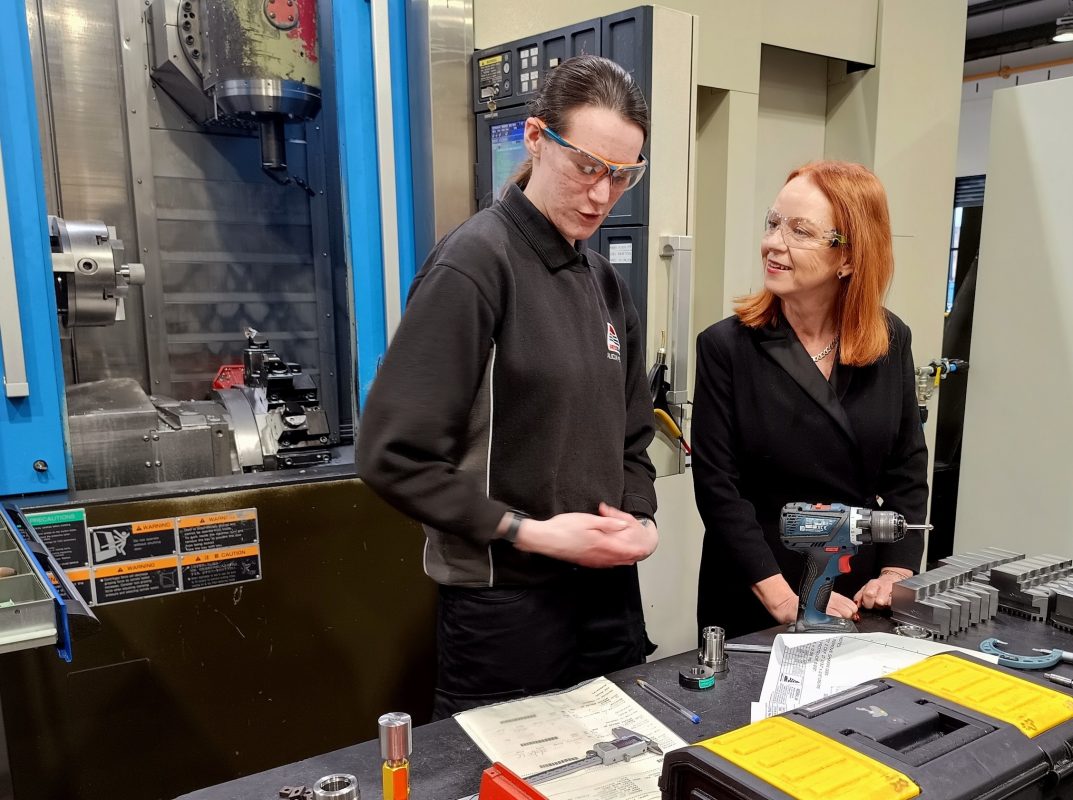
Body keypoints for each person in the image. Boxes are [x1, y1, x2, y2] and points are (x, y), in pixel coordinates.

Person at [357, 54, 659, 718]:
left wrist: (640, 519)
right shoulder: (474, 265)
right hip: (504, 606)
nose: (601, 196)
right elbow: (391, 457)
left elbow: (632, 439)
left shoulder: (605, 285)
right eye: (586, 166)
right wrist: (532, 532)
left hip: (606, 597)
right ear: (533, 138)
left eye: (621, 176)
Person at [692, 160, 928, 639]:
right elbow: (719, 490)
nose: (774, 243)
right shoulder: (726, 348)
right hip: (759, 588)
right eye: (773, 223)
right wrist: (783, 596)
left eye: (800, 231)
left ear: (849, 257)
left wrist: (895, 574)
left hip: (856, 591)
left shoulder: (890, 338)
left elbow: (907, 468)